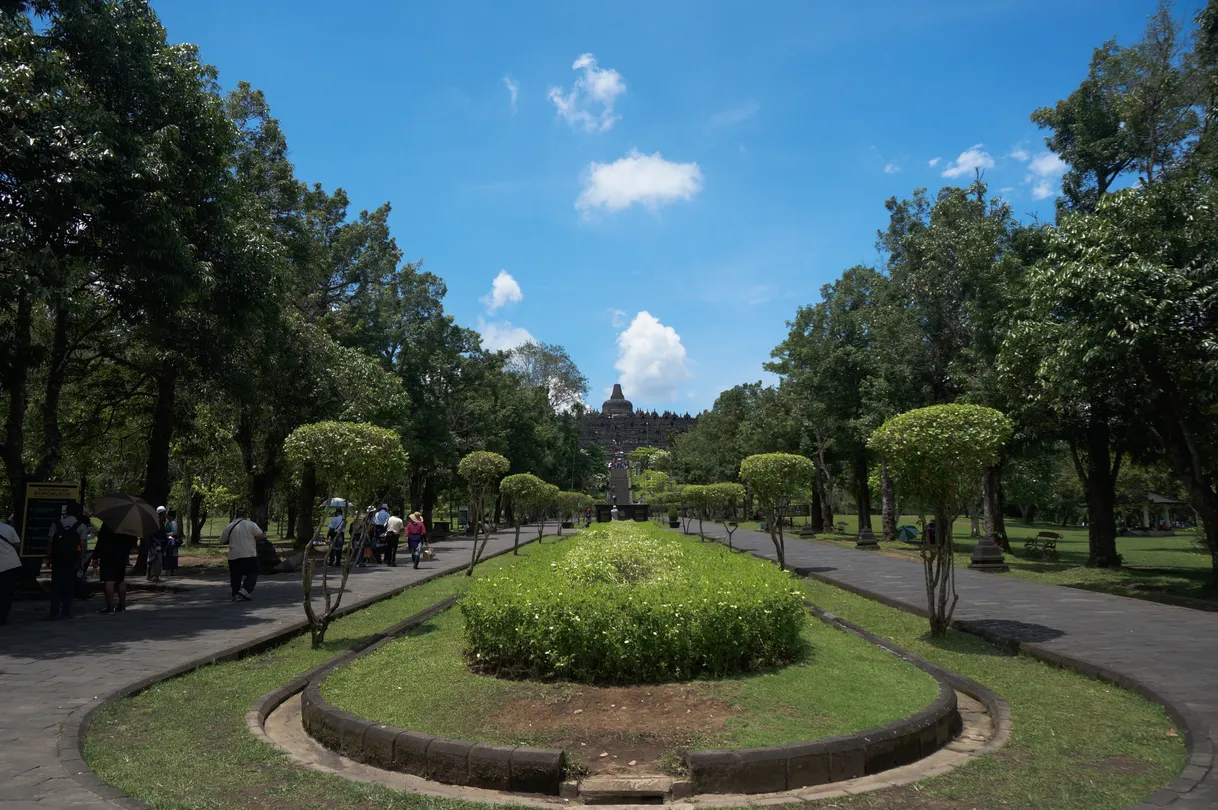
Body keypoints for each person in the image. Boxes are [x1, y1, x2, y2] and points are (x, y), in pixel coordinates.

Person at [46, 503, 88, 619]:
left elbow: (50, 541)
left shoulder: (56, 524)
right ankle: (66, 611)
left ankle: (54, 612)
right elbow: (81, 545)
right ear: (78, 513)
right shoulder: (81, 526)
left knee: (56, 585)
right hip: (72, 559)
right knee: (69, 585)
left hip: (57, 558)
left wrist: (49, 557)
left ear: (66, 511)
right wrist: (80, 560)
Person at [220, 511, 265, 602]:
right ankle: (245, 589)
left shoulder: (229, 526)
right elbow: (261, 536)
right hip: (249, 554)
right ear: (245, 515)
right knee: (253, 572)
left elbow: (222, 540)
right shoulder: (251, 524)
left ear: (235, 515)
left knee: (235, 576)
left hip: (234, 555)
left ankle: (235, 594)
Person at [95, 522, 136, 614]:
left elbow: (101, 540)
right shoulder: (127, 525)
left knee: (108, 579)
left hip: (108, 554)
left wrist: (96, 555)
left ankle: (110, 606)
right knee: (120, 579)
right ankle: (122, 604)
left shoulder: (107, 524)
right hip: (122, 554)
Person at [0, 516, 22, 625]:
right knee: (7, 593)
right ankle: (2, 617)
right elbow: (17, 544)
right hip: (10, 564)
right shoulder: (8, 528)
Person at [163, 509, 180, 576]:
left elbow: (174, 532)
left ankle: (172, 570)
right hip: (168, 540)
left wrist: (167, 534)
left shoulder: (173, 523)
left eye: (169, 516)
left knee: (172, 554)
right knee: (168, 554)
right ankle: (168, 569)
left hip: (172, 540)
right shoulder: (167, 523)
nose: (167, 517)